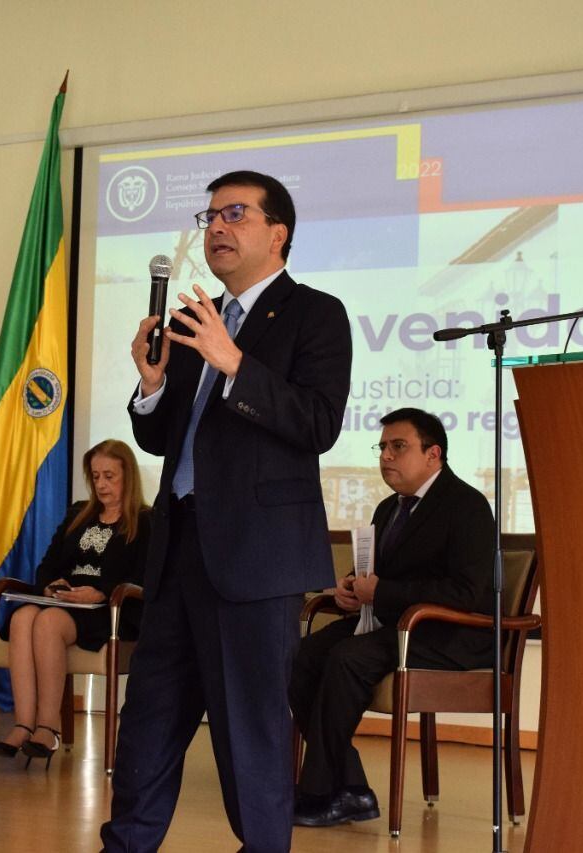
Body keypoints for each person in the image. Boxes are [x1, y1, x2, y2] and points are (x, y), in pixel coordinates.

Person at [100, 171, 352, 852]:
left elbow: (317, 422)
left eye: (235, 213)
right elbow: (161, 438)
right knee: (149, 717)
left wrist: (236, 363)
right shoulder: (192, 322)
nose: (215, 227)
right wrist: (152, 386)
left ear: (279, 233)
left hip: (255, 559)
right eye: (209, 214)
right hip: (178, 550)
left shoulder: (315, 314)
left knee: (251, 731)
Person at [288, 407, 495, 827]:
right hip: (391, 626)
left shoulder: (466, 506)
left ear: (433, 454)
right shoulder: (388, 509)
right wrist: (350, 587)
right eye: (382, 447)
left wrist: (382, 592)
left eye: (398, 447)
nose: (385, 456)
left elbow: (468, 593)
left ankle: (322, 790)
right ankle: (349, 787)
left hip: (444, 635)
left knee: (348, 658)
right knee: (301, 656)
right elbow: (377, 572)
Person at [0, 439, 151, 767]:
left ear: (128, 477)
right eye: (95, 476)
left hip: (109, 609)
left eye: (110, 476)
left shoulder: (145, 521)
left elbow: (143, 575)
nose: (101, 484)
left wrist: (101, 591)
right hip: (64, 600)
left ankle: (48, 729)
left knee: (47, 622)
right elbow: (49, 563)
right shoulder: (79, 513)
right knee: (22, 618)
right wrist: (51, 586)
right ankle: (23, 725)